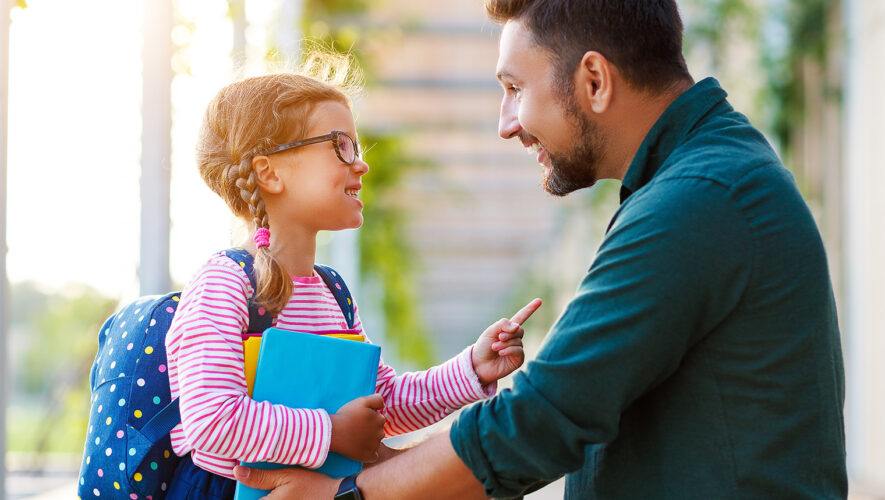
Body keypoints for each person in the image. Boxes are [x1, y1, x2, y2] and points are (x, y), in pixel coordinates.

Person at [233, 0, 848, 499]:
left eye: (514, 87)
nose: (506, 122)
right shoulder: (705, 182)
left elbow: (540, 419)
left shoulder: (698, 201)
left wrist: (347, 497)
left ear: (595, 80)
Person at [163, 52, 543, 500]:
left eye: (356, 148)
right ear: (270, 172)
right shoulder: (223, 284)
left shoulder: (332, 293)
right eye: (341, 146)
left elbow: (378, 405)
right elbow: (213, 422)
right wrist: (331, 433)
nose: (360, 164)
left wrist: (471, 369)